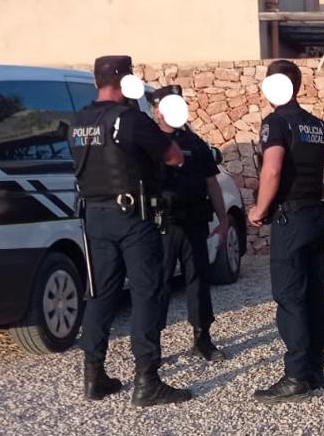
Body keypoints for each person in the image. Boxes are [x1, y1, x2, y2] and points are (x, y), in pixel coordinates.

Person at [69, 55, 192, 407]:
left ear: (97, 81)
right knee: (146, 293)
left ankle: (94, 376)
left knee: (100, 295)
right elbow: (173, 156)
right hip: (133, 217)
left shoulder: (78, 121)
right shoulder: (130, 120)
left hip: (95, 216)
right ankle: (147, 381)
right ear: (126, 82)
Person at [248, 60, 324, 403]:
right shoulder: (316, 125)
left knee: (290, 296)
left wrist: (259, 209)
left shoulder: (276, 123)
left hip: (290, 220)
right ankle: (314, 370)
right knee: (314, 294)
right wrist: (317, 193)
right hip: (313, 216)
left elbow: (272, 171)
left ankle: (295, 376)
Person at [149, 85, 229, 362]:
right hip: (162, 224)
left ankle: (202, 338)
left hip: (194, 221)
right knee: (158, 283)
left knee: (198, 280)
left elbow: (211, 182)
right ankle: (152, 346)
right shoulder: (148, 141)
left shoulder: (195, 142)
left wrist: (224, 219)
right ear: (156, 110)